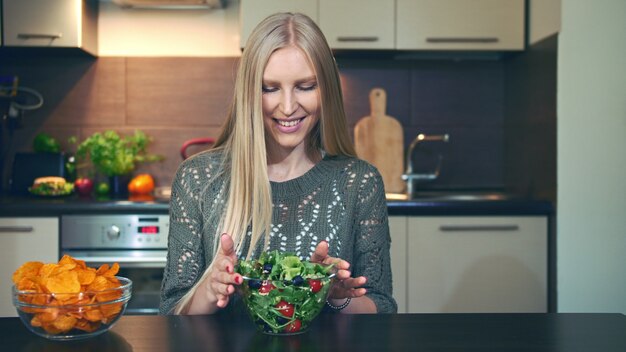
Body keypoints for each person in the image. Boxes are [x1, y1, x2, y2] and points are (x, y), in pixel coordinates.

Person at [159, 12, 397, 315]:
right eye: (270, 88)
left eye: (306, 86)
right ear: (249, 93)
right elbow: (170, 311)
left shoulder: (359, 182)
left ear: (326, 89)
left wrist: (335, 295)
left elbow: (383, 307)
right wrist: (210, 288)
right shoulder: (197, 179)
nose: (287, 107)